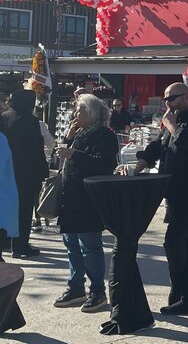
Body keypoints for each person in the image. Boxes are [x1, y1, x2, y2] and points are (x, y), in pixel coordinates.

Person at [132, 83, 188, 316]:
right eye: (166, 100)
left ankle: (184, 293)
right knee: (186, 243)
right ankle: (187, 297)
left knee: (174, 241)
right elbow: (159, 145)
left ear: (187, 97)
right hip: (175, 191)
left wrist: (172, 125)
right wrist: (141, 163)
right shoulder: (174, 120)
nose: (168, 104)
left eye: (172, 99)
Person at [53, 94, 119, 312]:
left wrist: (74, 153)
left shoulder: (105, 135)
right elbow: (64, 159)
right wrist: (69, 139)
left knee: (89, 247)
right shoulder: (79, 133)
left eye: (79, 110)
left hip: (88, 200)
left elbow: (105, 165)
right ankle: (76, 288)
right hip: (70, 199)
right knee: (71, 245)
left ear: (91, 114)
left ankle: (97, 291)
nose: (75, 114)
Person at [1, 89, 48, 258]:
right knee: (24, 210)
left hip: (5, 171)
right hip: (25, 173)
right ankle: (20, 245)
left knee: (5, 207)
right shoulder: (30, 121)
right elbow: (36, 149)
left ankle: (4, 241)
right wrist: (43, 170)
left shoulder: (4, 117)